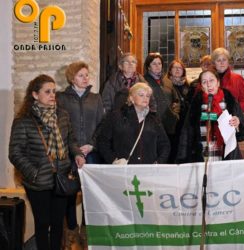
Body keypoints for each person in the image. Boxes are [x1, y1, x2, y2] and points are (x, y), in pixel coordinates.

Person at [9, 74, 85, 250]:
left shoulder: (62, 115)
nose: (52, 95)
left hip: (61, 178)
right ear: (35, 95)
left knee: (58, 222)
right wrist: (34, 173)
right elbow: (15, 153)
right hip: (37, 182)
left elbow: (71, 140)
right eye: (47, 92)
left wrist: (78, 154)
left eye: (54, 92)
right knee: (43, 223)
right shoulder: (24, 121)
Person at [57, 61, 104, 249]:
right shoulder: (61, 98)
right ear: (72, 78)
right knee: (69, 191)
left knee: (89, 192)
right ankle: (71, 231)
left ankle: (87, 230)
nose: (85, 78)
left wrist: (91, 145)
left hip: (91, 152)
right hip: (69, 152)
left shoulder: (96, 98)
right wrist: (75, 148)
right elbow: (60, 125)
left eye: (87, 74)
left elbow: (102, 124)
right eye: (81, 75)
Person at [177, 69, 244, 163]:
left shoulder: (229, 100)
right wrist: (182, 159)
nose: (208, 84)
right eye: (204, 82)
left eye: (211, 80)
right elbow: (186, 133)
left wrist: (237, 125)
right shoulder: (196, 103)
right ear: (202, 87)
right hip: (203, 157)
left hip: (226, 156)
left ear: (218, 83)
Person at [96, 82, 170, 164]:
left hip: (148, 171)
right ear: (131, 98)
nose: (145, 98)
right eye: (141, 95)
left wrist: (159, 162)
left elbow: (165, 144)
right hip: (123, 170)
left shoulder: (154, 119)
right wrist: (113, 160)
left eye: (148, 96)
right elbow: (102, 141)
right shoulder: (116, 116)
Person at [143, 52, 180, 138]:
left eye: (159, 63)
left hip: (169, 125)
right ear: (148, 66)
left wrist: (175, 114)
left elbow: (176, 100)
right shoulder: (143, 81)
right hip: (151, 125)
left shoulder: (168, 81)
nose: (157, 66)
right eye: (154, 63)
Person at [163, 59, 191, 163]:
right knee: (172, 151)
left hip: (185, 123)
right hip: (171, 124)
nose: (178, 70)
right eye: (175, 67)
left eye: (180, 68)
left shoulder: (188, 86)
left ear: (183, 71)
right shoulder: (166, 85)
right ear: (170, 71)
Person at [211, 48, 244, 112]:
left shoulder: (238, 78)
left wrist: (236, 112)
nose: (222, 63)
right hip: (213, 117)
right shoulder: (208, 80)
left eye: (224, 60)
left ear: (228, 61)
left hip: (233, 118)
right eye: (218, 60)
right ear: (214, 63)